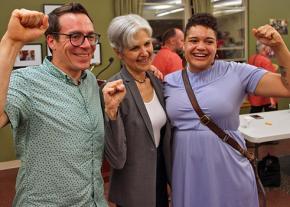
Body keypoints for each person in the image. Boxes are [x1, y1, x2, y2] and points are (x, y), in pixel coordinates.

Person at [163, 13, 290, 207]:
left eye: (209, 41)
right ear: (184, 45)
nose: (201, 47)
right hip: (187, 171)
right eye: (193, 40)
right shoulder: (168, 81)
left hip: (228, 167)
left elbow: (287, 87)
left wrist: (279, 46)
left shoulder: (237, 72)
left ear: (217, 46)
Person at [0, 3, 108, 206]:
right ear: (52, 41)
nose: (86, 45)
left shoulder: (90, 81)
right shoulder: (26, 82)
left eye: (90, 36)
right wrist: (11, 41)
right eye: (75, 36)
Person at [102, 14, 172, 207]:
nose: (144, 52)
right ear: (119, 53)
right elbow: (116, 158)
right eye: (134, 48)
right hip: (132, 188)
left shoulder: (156, 80)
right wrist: (111, 113)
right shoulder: (114, 89)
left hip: (159, 178)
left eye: (147, 44)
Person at [248, 41, 278, 113]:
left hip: (254, 94)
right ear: (264, 48)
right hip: (267, 96)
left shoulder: (251, 58)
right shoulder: (266, 61)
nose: (271, 49)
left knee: (254, 117)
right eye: (269, 46)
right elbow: (272, 81)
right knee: (272, 119)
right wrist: (272, 100)